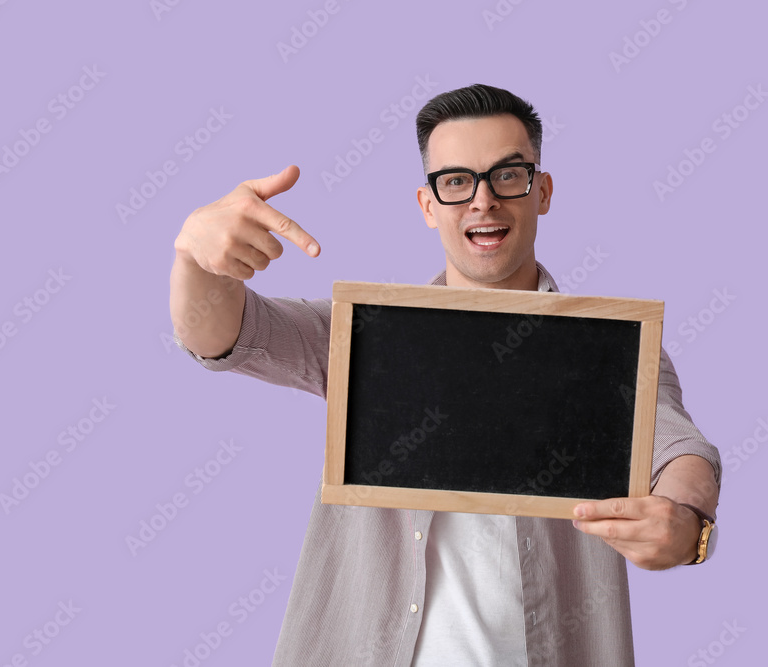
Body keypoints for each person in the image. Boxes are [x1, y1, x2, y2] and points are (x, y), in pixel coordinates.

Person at [169, 83, 721, 666]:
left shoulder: (614, 348)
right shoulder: (366, 337)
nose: (483, 201)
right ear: (428, 204)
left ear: (544, 192)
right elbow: (224, 335)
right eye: (456, 181)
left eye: (508, 175)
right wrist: (195, 260)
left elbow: (680, 450)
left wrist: (687, 523)